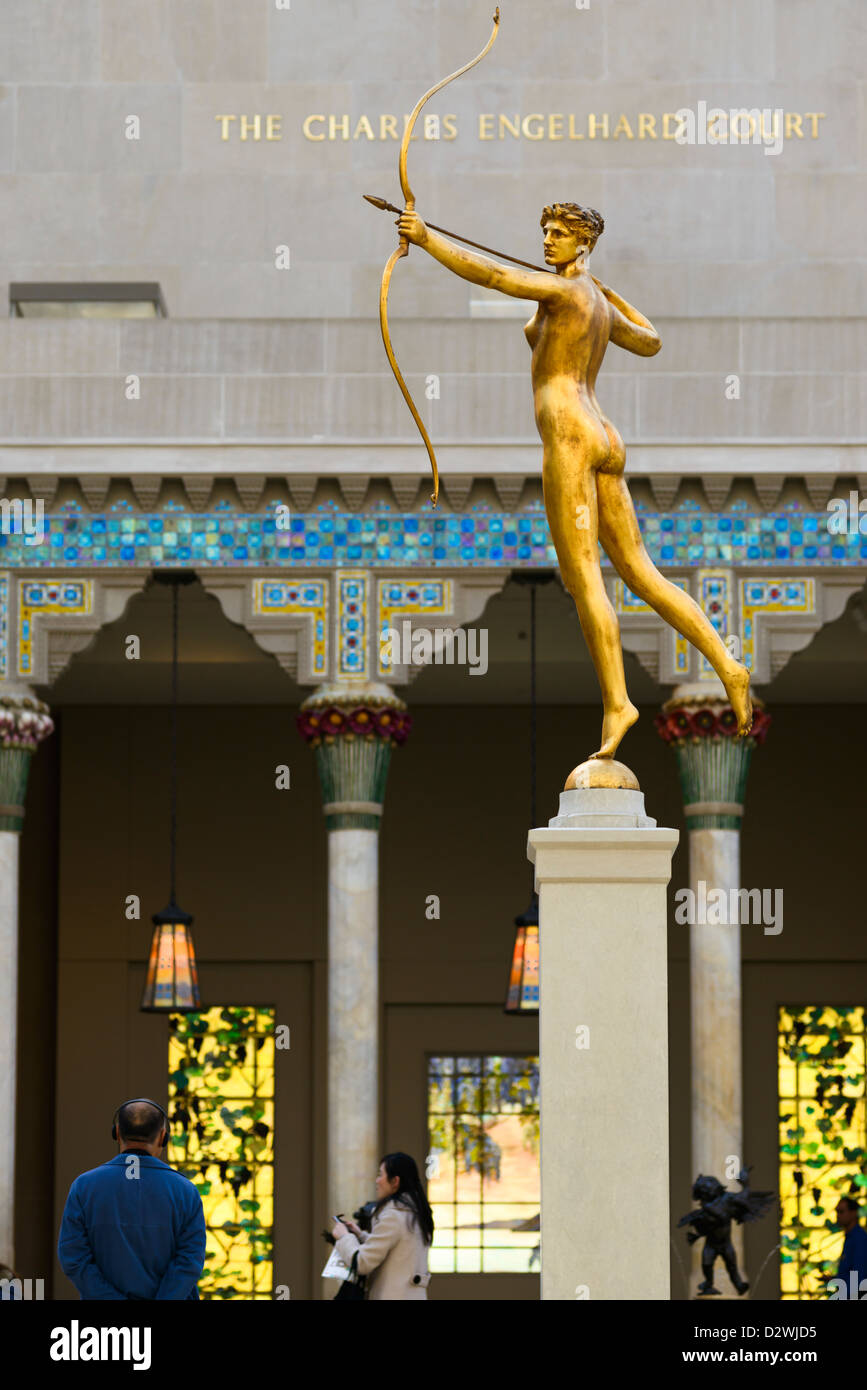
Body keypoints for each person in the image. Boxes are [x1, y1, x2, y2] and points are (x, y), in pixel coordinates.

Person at [396, 201, 752, 761]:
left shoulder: (562, 293)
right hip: (605, 436)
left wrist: (426, 238)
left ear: (582, 242)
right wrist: (601, 286)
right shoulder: (593, 299)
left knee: (585, 576)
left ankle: (618, 703)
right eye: (545, 231)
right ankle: (728, 663)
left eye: (559, 234)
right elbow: (650, 339)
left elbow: (490, 273)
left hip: (569, 434)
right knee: (640, 571)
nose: (547, 240)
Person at [58, 1097, 206, 1300]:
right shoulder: (186, 1191)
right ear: (163, 1136)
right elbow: (189, 1262)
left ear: (116, 1132)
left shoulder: (84, 1186)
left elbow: (74, 1258)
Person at [332, 1152, 433, 1300]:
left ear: (395, 1181)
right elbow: (396, 1249)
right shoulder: (416, 1212)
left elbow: (362, 1263)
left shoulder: (393, 1215)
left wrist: (344, 1237)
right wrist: (360, 1235)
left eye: (380, 1175)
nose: (376, 1180)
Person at [835, 1196, 867, 1298]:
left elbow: (858, 1277)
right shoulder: (850, 1237)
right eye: (837, 1212)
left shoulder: (859, 1239)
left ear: (853, 1213)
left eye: (841, 1212)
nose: (837, 1216)